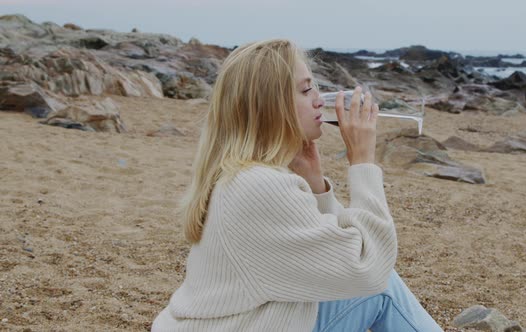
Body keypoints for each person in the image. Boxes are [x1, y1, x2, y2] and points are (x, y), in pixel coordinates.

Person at [152, 39, 442, 332]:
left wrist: (317, 187)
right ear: (269, 106)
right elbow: (369, 266)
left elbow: (332, 250)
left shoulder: (241, 173)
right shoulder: (260, 185)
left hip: (233, 321)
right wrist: (363, 161)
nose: (318, 99)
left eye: (314, 87)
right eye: (305, 90)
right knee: (384, 289)